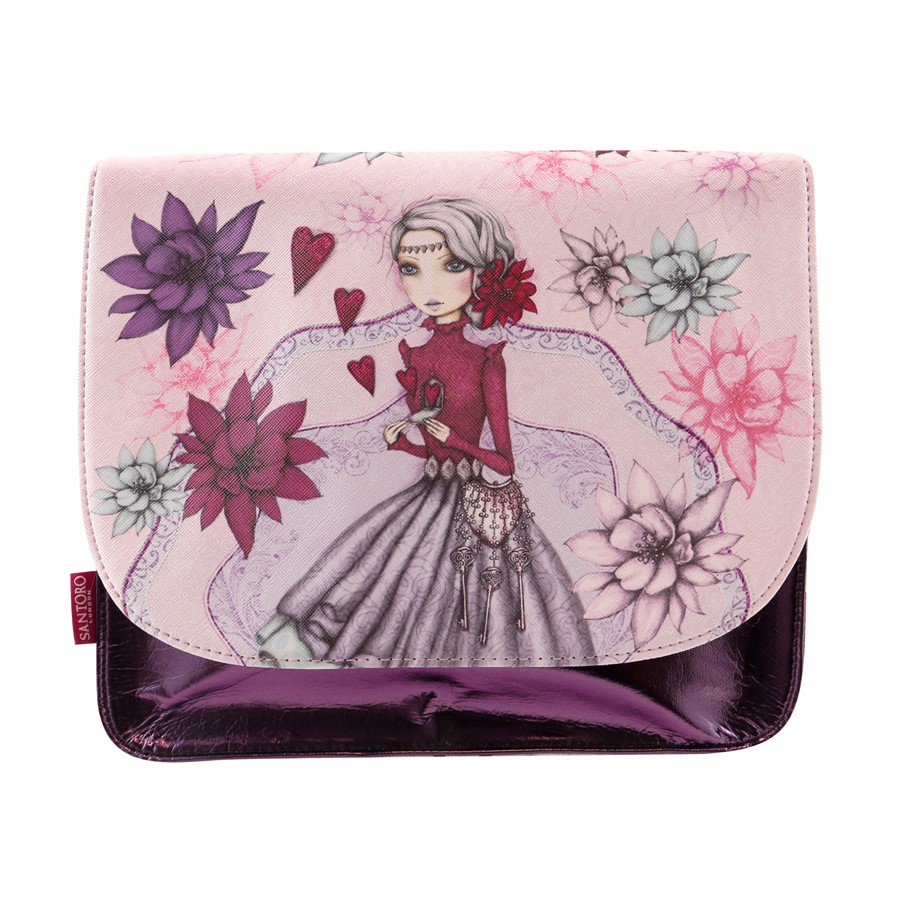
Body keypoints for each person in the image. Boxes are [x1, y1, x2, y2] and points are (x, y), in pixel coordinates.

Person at [255, 198, 595, 668]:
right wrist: (406, 443)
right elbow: (433, 446)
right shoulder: (415, 353)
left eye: (451, 265)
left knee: (472, 603)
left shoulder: (486, 358)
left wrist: (456, 442)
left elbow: (504, 463)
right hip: (428, 494)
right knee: (381, 577)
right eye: (411, 269)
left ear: (481, 270)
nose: (428, 286)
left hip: (479, 509)